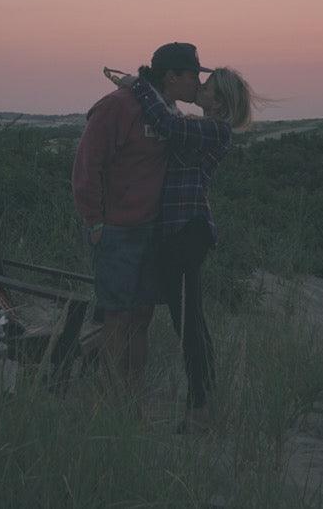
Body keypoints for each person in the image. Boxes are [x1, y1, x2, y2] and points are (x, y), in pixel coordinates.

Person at [106, 62, 257, 432]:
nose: (199, 88)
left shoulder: (214, 131)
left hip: (187, 235)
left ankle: (200, 410)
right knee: (190, 322)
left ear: (219, 101)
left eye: (206, 86)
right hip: (179, 234)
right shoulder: (206, 128)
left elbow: (169, 125)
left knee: (189, 324)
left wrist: (138, 85)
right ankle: (201, 407)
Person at [72, 42, 211, 402]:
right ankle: (111, 402)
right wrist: (95, 222)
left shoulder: (167, 112)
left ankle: (131, 403)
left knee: (141, 318)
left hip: (152, 232)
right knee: (116, 320)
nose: (198, 82)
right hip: (117, 231)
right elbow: (88, 165)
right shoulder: (118, 107)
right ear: (172, 76)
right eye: (194, 75)